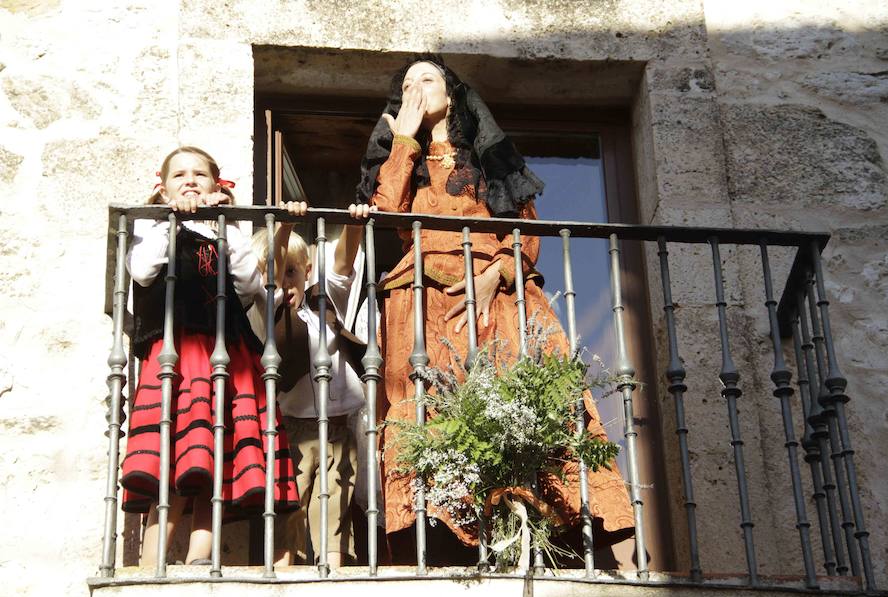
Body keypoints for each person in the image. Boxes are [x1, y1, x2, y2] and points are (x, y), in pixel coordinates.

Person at [356, 55, 635, 563]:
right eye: (408, 82)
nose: (418, 87)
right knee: (428, 407)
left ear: (453, 92)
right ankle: (444, 539)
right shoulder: (402, 155)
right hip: (423, 300)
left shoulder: (488, 156)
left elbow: (528, 231)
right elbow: (387, 211)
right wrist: (405, 139)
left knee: (521, 397)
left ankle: (538, 534)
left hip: (500, 296)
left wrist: (495, 274)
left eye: (429, 78)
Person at [120, 146, 299, 567]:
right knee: (175, 449)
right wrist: (173, 220)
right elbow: (142, 270)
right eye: (179, 174)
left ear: (217, 186)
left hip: (226, 356)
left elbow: (248, 281)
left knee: (216, 450)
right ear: (162, 188)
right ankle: (152, 560)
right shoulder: (154, 228)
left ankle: (200, 553)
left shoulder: (225, 230)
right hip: (179, 357)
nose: (190, 181)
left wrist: (223, 225)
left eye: (200, 174)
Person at [247, 200, 374, 568]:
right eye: (276, 274)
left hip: (337, 427)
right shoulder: (266, 308)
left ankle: (332, 573)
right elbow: (271, 273)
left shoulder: (322, 306)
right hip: (293, 429)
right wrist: (284, 227)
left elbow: (342, 266)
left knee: (336, 504)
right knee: (291, 504)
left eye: (292, 273)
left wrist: (353, 224)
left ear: (306, 271)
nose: (286, 283)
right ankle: (284, 573)